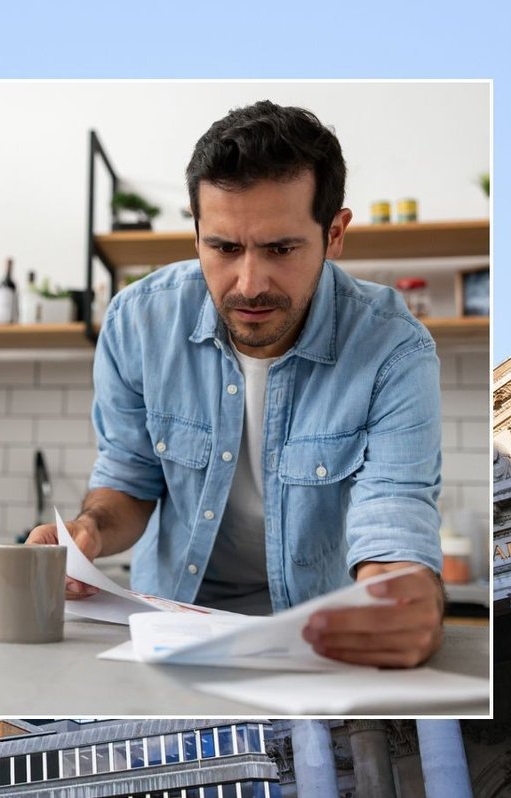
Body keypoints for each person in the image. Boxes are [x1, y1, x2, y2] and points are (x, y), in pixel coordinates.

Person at [27, 100, 444, 668]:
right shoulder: (137, 323)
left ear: (335, 234)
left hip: (319, 637)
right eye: (223, 248)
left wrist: (395, 594)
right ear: (196, 232)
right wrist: (89, 532)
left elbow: (393, 509)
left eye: (281, 249)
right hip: (171, 626)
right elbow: (128, 479)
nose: (248, 284)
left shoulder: (395, 348)